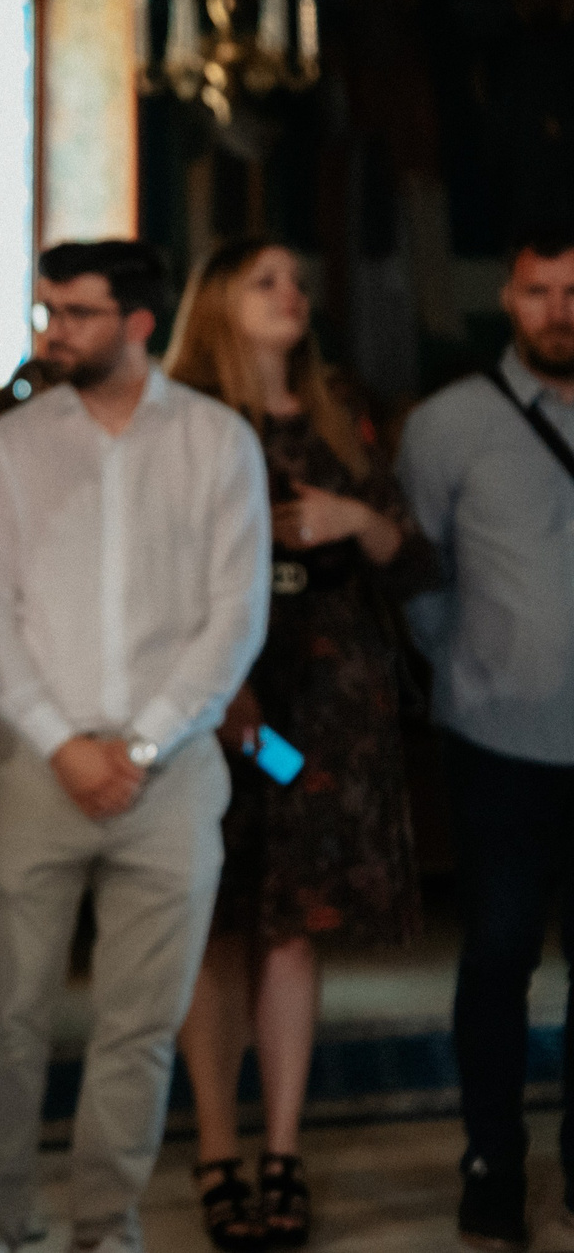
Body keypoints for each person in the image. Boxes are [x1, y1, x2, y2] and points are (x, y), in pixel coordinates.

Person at [0, 240, 271, 1253]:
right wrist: (62, 745)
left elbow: (236, 619)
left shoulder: (217, 442)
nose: (52, 332)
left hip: (171, 772)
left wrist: (137, 745)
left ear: (138, 322)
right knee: (7, 1022)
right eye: (45, 311)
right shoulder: (13, 445)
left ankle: (107, 1226)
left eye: (75, 314)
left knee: (138, 1027)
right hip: (36, 767)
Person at [165, 238, 438, 1252]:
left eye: (295, 281)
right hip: (226, 702)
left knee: (293, 922)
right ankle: (216, 1150)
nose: (290, 295)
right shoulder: (186, 418)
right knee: (220, 919)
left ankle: (282, 1152)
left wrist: (350, 517)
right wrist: (219, 686)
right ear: (218, 305)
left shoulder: (334, 410)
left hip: (324, 711)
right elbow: (155, 563)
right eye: (263, 281)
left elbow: (411, 553)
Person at [397, 229, 574, 1252]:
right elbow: (417, 574)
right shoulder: (447, 423)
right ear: (505, 300)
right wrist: (467, 668)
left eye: (573, 290)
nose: (560, 308)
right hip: (500, 738)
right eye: (540, 290)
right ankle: (491, 1159)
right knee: (499, 952)